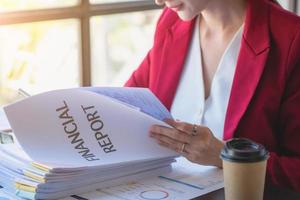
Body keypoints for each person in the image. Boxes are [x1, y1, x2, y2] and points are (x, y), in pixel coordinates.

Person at [125, 0, 300, 191]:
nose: (158, 1)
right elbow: (125, 103)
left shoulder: (291, 39)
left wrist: (224, 155)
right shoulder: (171, 22)